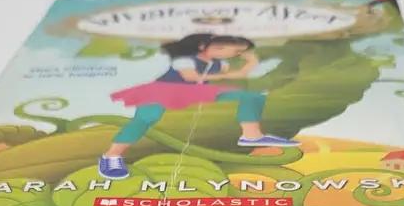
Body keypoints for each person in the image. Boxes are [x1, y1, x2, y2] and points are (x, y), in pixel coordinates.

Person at [98, 33, 299, 180]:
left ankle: (251, 135)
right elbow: (190, 77)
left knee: (251, 97)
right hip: (163, 91)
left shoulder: (219, 63)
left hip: (195, 92)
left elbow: (240, 75)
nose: (235, 54)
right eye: (234, 50)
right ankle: (111, 156)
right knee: (144, 120)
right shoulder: (184, 59)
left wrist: (251, 62)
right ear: (205, 46)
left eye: (240, 52)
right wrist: (231, 74)